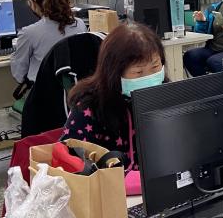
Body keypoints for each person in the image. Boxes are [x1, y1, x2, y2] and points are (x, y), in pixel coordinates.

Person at [62, 23, 166, 156]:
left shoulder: (168, 95)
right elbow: (70, 158)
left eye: (155, 67)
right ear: (114, 73)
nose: (149, 77)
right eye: (138, 72)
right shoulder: (89, 107)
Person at [10, 0, 85, 83]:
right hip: (76, 88)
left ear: (33, 3)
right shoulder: (80, 24)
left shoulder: (29, 33)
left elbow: (19, 74)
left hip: (45, 91)